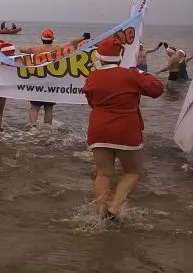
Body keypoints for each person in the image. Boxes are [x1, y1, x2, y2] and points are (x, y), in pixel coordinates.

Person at [83, 36, 164, 220]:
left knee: (103, 173)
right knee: (132, 172)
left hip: (98, 129)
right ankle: (114, 209)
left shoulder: (92, 77)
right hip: (126, 130)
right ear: (120, 56)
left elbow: (91, 102)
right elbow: (157, 90)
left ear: (99, 57)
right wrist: (139, 72)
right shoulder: (131, 75)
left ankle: (100, 212)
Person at [19, 28, 89, 126]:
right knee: (49, 108)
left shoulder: (35, 49)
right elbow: (72, 43)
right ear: (52, 39)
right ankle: (47, 127)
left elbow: (21, 49)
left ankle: (33, 126)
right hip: (51, 82)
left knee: (35, 107)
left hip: (37, 82)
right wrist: (83, 37)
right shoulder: (57, 48)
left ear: (41, 38)